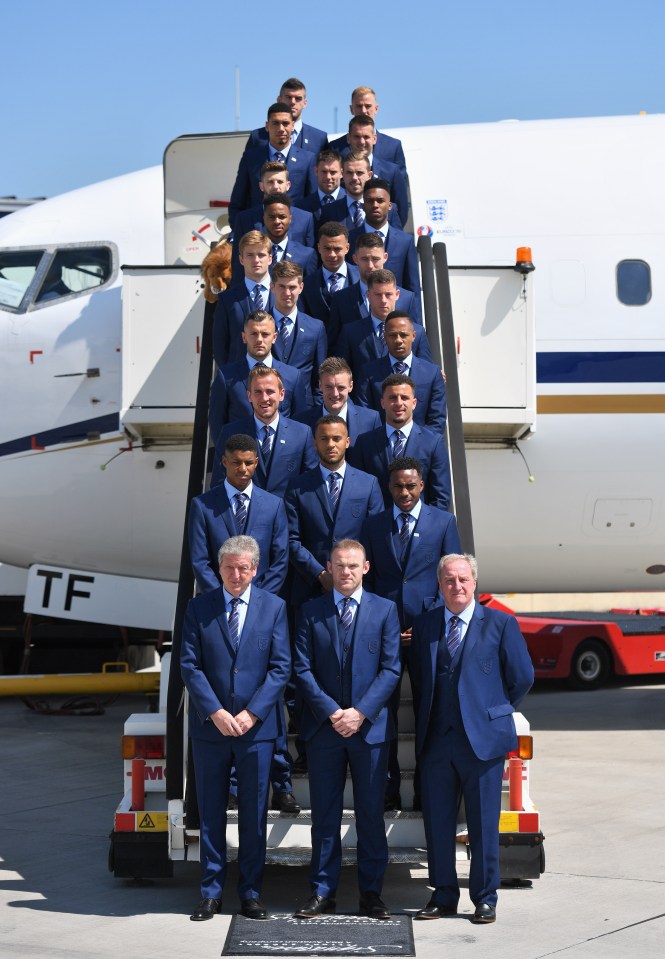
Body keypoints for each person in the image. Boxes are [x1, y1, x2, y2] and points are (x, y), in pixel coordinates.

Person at [410, 553, 534, 923]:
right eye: (449, 580)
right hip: (437, 741)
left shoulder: (500, 623)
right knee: (439, 824)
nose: (457, 586)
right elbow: (420, 678)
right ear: (439, 585)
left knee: (482, 825)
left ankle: (484, 897)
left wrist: (493, 709)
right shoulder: (426, 625)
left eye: (463, 579)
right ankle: (443, 895)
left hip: (483, 742)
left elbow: (522, 677)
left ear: (475, 583)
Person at [181, 535, 291, 921]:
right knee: (211, 812)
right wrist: (215, 712)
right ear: (219, 568)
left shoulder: (274, 607)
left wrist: (253, 713)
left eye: (244, 567)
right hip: (212, 729)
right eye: (229, 567)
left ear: (255, 569)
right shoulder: (200, 607)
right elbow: (189, 665)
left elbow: (281, 667)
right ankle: (210, 893)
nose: (236, 574)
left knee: (253, 814)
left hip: (255, 731)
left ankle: (250, 892)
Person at [293, 539, 401, 919]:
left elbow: (391, 669)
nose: (346, 572)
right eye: (340, 566)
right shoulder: (310, 611)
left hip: (369, 732)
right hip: (325, 731)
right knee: (325, 816)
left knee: (371, 814)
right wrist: (331, 712)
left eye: (353, 566)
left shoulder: (385, 610)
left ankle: (372, 894)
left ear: (366, 568)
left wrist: (360, 713)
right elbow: (301, 669)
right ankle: (323, 892)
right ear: (329, 567)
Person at [360, 457, 461, 809]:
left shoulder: (444, 522)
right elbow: (367, 581)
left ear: (422, 486)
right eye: (398, 486)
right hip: (383, 635)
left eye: (411, 486)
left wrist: (421, 625)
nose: (405, 492)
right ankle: (386, 791)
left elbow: (451, 576)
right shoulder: (373, 525)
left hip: (426, 634)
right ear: (389, 487)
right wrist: (385, 623)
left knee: (427, 713)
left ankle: (423, 792)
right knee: (380, 714)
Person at [284, 415, 384, 605]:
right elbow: (291, 539)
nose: (331, 444)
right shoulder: (298, 487)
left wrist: (351, 573)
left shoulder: (368, 484)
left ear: (347, 442)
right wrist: (320, 574)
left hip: (357, 589)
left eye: (336, 438)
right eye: (324, 439)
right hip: (310, 589)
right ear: (315, 443)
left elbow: (375, 537)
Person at [189, 434, 288, 596]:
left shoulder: (274, 506)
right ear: (224, 462)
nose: (243, 469)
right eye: (236, 462)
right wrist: (221, 597)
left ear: (256, 463)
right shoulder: (202, 506)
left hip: (260, 603)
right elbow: (199, 560)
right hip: (217, 603)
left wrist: (259, 599)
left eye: (248, 463)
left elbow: (280, 561)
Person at [350, 374, 451, 510]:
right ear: (382, 403)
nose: (398, 403)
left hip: (419, 526)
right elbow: (358, 491)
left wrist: (427, 528)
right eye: (392, 398)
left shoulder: (433, 442)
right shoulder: (365, 443)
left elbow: (440, 497)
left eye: (404, 397)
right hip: (377, 526)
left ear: (414, 403)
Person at [213, 365, 318, 493]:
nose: (264, 398)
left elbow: (310, 485)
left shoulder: (302, 434)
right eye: (258, 392)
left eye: (270, 391)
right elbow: (218, 485)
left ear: (282, 394)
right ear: (249, 396)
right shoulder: (230, 433)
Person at [209, 310, 308, 443]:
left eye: (265, 334)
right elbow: (217, 424)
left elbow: (300, 423)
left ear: (274, 337)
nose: (259, 339)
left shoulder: (293, 376)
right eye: (254, 334)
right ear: (244, 337)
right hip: (241, 458)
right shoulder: (226, 377)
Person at [355, 311, 447, 431]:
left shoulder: (432, 373)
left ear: (413, 336)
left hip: (421, 446)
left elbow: (437, 419)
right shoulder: (369, 372)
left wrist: (421, 446)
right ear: (385, 336)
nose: (398, 340)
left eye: (403, 335)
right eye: (393, 335)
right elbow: (364, 416)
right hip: (380, 447)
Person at [229, 103, 317, 228]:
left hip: (295, 235)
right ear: (267, 126)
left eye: (285, 123)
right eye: (275, 123)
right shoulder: (251, 158)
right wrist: (238, 232)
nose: (281, 128)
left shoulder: (307, 159)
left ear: (293, 126)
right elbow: (237, 202)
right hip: (257, 234)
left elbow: (312, 201)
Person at [334, 266, 430, 379]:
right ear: (368, 295)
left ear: (397, 295)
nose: (383, 300)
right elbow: (341, 376)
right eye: (378, 295)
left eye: (388, 294)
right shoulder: (351, 333)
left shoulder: (417, 332)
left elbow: (425, 374)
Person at [231, 161, 316, 279]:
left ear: (288, 185)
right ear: (261, 186)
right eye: (270, 182)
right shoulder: (244, 219)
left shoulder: (306, 218)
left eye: (280, 182)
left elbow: (309, 260)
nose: (276, 186)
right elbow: (237, 265)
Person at [294, 356, 380, 455]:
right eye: (329, 387)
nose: (335, 393)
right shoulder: (302, 422)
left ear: (350, 386)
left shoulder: (371, 420)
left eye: (341, 387)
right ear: (320, 386)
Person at [270, 260, 328, 406]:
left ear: (301, 287)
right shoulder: (259, 326)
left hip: (303, 410)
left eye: (292, 287)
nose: (287, 293)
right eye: (281, 287)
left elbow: (319, 379)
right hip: (265, 406)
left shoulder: (316, 327)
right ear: (272, 287)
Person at [347, 179, 420, 296]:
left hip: (395, 309)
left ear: (390, 205)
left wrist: (413, 314)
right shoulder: (350, 239)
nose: (375, 205)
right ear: (363, 205)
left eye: (380, 201)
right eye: (370, 201)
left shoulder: (405, 241)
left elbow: (413, 286)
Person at [213, 231, 274, 366]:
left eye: (261, 255)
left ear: (270, 258)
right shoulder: (227, 299)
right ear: (241, 259)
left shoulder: (285, 293)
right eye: (250, 255)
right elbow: (219, 344)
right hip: (239, 379)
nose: (256, 260)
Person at [342, 115, 409, 226]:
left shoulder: (392, 171)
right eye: (357, 137)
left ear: (374, 139)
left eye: (366, 137)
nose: (362, 141)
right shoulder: (340, 170)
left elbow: (401, 211)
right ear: (349, 138)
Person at [298, 222, 359, 339]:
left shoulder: (362, 279)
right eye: (327, 248)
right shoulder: (307, 284)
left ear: (347, 248)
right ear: (319, 248)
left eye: (337, 249)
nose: (332, 254)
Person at [329, 85, 407, 176]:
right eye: (359, 106)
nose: (363, 111)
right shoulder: (335, 147)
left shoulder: (393, 147)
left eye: (368, 106)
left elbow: (401, 183)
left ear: (376, 108)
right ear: (351, 109)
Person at [319, 152, 402, 232]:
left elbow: (396, 241)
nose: (354, 178)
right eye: (349, 173)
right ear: (342, 175)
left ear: (369, 175)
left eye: (359, 173)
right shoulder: (329, 211)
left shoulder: (389, 209)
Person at [245, 78, 329, 156]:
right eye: (288, 97)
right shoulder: (257, 137)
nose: (293, 102)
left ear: (305, 103)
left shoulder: (319, 139)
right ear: (279, 100)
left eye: (298, 98)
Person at [261, 194, 318, 276]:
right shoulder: (253, 253)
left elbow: (310, 287)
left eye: (282, 217)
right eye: (271, 217)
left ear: (290, 218)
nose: (277, 221)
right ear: (264, 218)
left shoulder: (306, 255)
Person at [294, 149, 346, 221]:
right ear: (316, 171)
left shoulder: (350, 203)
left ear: (341, 173)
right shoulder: (301, 207)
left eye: (333, 172)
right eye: (324, 172)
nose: (328, 177)